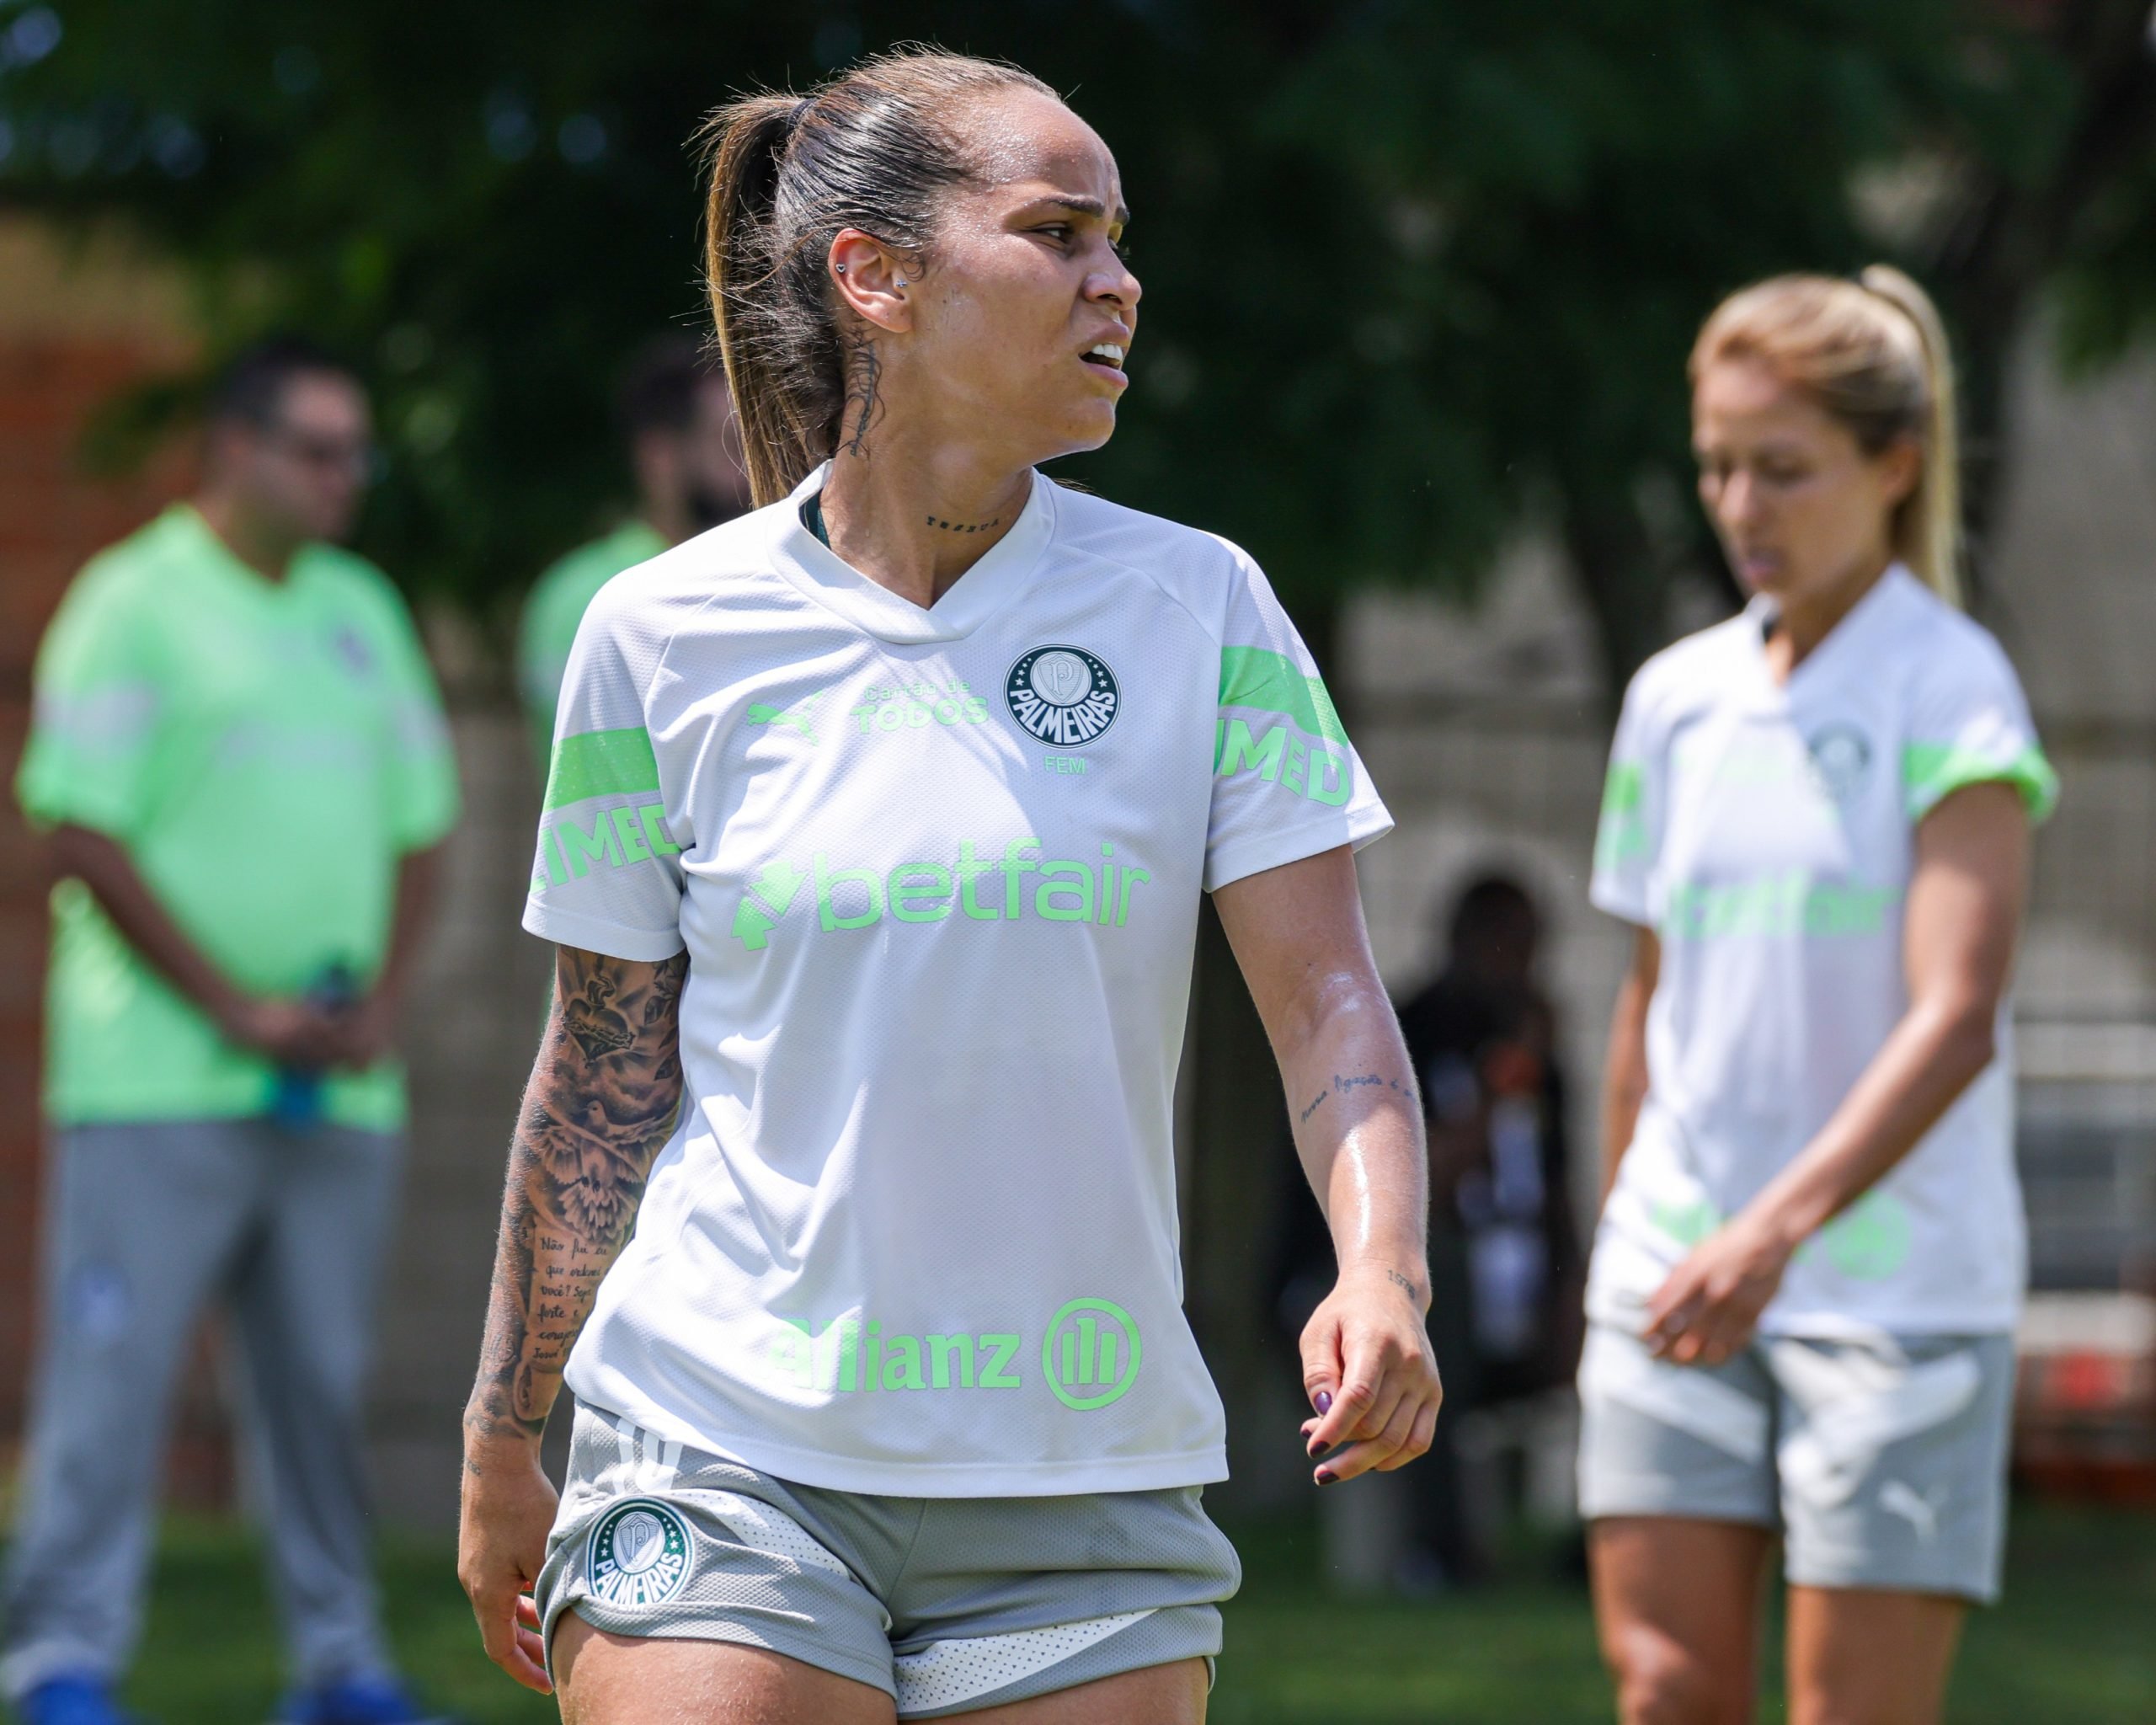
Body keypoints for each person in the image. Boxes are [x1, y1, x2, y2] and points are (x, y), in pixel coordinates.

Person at [456, 46, 1442, 1724]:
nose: (1116, 280)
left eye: (1117, 238)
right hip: (718, 1439)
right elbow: (602, 1074)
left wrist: (1385, 1267)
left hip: (1080, 1471)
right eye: (1058, 233)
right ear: (878, 276)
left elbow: (1328, 996)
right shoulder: (661, 634)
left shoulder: (1201, 606)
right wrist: (502, 1433)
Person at [1580, 268, 2056, 1725]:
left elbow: (1956, 1016)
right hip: (1673, 1273)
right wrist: (1624, 1241)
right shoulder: (1673, 697)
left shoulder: (1954, 686)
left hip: (1896, 1297)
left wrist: (1771, 1234)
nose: (1741, 506)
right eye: (1717, 465)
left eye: (1782, 469)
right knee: (1664, 1692)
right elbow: (1649, 1000)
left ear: (1894, 466)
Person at [4, 339, 463, 1725]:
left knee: (321, 1388)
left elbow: (423, 825)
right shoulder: (131, 601)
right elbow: (78, 826)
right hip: (157, 1082)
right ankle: (60, 1665)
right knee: (113, 1382)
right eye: (318, 450)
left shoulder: (360, 606)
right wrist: (231, 1006)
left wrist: (381, 1001)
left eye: (356, 453)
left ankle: (341, 1670)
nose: (345, 478)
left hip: (340, 1091)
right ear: (236, 448)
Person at [1396, 874, 1583, 1581]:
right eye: (1501, 944)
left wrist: (1576, 1283)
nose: (1517, 965)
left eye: (1529, 948)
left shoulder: (1544, 1063)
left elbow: (1559, 1191)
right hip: (1435, 1274)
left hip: (1523, 1282)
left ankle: (1591, 1544)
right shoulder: (1411, 1030)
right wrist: (1503, 1080)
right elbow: (1424, 1184)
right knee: (1441, 1290)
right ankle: (1442, 1553)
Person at [517, 336, 752, 765]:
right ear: (659, 455)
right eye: (731, 448)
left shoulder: (755, 574)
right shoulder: (585, 595)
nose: (749, 475)